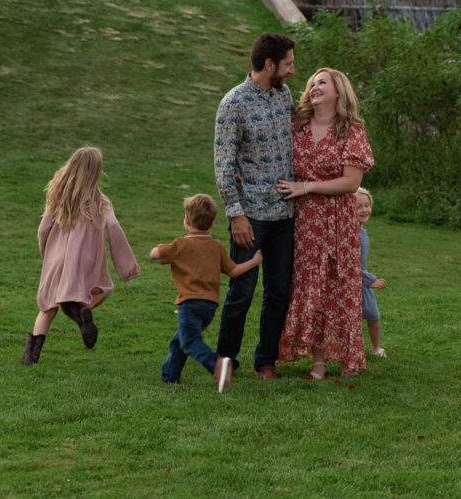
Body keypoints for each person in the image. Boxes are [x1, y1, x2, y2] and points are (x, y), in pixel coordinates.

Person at [276, 68, 374, 379]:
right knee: (310, 286)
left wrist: (307, 187)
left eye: (322, 83)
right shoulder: (297, 125)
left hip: (339, 223)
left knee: (339, 286)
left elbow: (350, 182)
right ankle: (318, 362)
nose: (314, 87)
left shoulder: (352, 132)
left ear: (338, 92)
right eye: (312, 83)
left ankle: (348, 357)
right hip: (305, 221)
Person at [214, 32, 297, 381]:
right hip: (251, 218)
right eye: (288, 63)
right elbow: (224, 164)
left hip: (285, 215)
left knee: (278, 292)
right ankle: (225, 361)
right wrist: (237, 215)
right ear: (269, 64)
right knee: (241, 292)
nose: (292, 70)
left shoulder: (284, 95)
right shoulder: (233, 103)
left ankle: (266, 361)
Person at [22, 147, 140, 365]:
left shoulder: (58, 196)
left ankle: (31, 356)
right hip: (84, 262)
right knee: (99, 290)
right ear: (96, 172)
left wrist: (46, 253)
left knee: (47, 307)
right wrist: (127, 267)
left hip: (57, 260)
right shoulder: (102, 202)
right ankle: (81, 312)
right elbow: (114, 227)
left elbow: (42, 229)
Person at [150, 194, 263, 392]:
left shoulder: (180, 245)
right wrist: (254, 262)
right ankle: (169, 377)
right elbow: (233, 270)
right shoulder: (216, 247)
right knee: (180, 340)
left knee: (189, 341)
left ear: (186, 220)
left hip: (189, 303)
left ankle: (216, 364)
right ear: (211, 223)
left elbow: (154, 254)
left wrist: (157, 250)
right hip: (209, 306)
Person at [356, 187, 387, 358]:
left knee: (373, 315)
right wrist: (370, 280)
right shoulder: (352, 234)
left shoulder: (361, 230)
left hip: (362, 281)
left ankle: (375, 348)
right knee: (354, 319)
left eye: (367, 205)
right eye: (358, 207)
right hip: (357, 281)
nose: (364, 210)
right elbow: (352, 264)